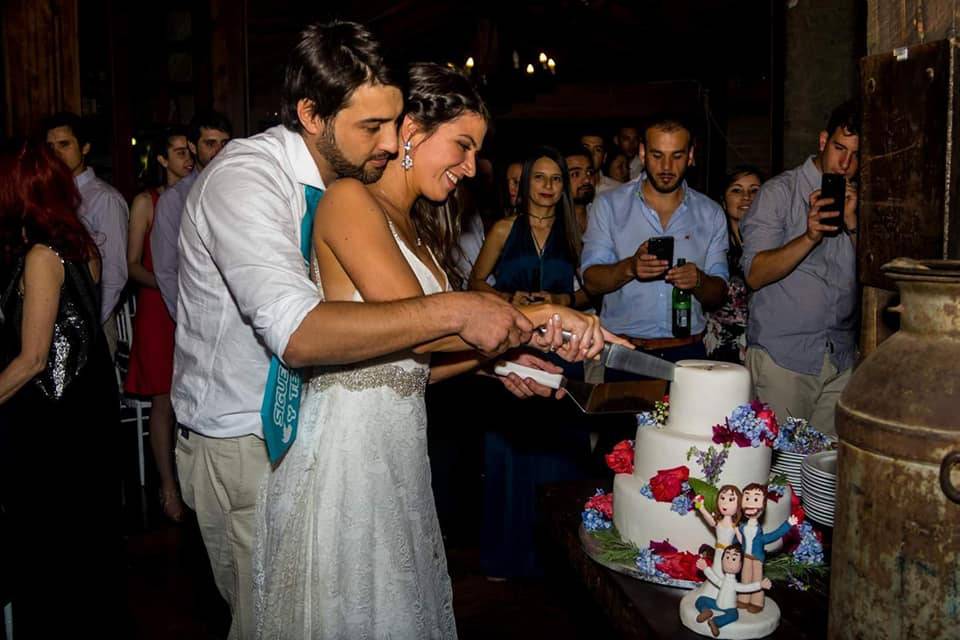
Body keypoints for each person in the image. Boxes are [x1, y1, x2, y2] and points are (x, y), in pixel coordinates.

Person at [173, 21, 611, 639]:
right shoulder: (251, 179)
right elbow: (301, 333)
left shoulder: (372, 199)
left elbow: (401, 352)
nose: (388, 139)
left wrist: (498, 358)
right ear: (312, 114)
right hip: (246, 431)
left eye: (395, 120)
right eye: (373, 126)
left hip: (359, 443)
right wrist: (519, 317)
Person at [0, 142, 125, 636]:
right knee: (83, 553)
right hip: (82, 419)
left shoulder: (41, 255)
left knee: (50, 558)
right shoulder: (80, 245)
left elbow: (32, 360)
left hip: (52, 431)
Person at [741, 101, 859, 436]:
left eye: (855, 154)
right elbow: (755, 273)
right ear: (823, 141)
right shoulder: (779, 193)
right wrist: (809, 237)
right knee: (777, 472)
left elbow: (876, 279)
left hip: (840, 358)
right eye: (839, 148)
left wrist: (853, 224)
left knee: (825, 474)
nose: (845, 163)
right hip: (784, 359)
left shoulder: (861, 202)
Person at [582, 115, 729, 377]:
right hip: (624, 351)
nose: (666, 166)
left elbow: (719, 293)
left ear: (691, 155)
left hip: (687, 353)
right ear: (642, 153)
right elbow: (591, 280)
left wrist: (699, 281)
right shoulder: (609, 205)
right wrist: (630, 267)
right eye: (657, 155)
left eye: (677, 155)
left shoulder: (711, 213)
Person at [124, 126, 193, 522]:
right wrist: (170, 282)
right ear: (162, 160)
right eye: (178, 152)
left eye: (189, 150)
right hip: (158, 308)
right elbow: (132, 264)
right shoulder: (145, 202)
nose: (187, 158)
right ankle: (168, 487)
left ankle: (194, 480)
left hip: (193, 305)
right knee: (164, 399)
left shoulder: (199, 194)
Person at [43, 112, 129, 357]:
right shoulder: (47, 196)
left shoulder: (105, 199)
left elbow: (114, 274)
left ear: (85, 148)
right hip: (52, 322)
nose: (56, 153)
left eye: (64, 144)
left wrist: (85, 325)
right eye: (50, 147)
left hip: (93, 324)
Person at [469, 146, 590, 311]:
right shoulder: (503, 229)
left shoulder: (572, 230)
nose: (548, 185)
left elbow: (593, 288)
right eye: (539, 177)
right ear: (526, 182)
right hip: (510, 325)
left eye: (556, 179)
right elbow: (475, 282)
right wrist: (507, 298)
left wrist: (563, 299)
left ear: (563, 187)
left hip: (558, 328)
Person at [152, 110, 232, 318]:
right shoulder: (174, 199)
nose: (219, 150)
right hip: (198, 312)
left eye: (224, 143)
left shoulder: (239, 188)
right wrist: (186, 319)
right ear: (193, 147)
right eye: (210, 143)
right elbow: (166, 269)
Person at [704, 166, 764, 364]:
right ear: (723, 199)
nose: (746, 197)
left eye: (754, 190)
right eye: (736, 190)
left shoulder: (775, 245)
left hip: (764, 347)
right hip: (719, 346)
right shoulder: (712, 244)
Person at [737, 484, 797, 611]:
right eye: (747, 498)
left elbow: (774, 535)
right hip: (746, 557)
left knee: (757, 580)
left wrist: (788, 524)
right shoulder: (742, 527)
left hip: (757, 558)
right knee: (745, 578)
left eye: (756, 499)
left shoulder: (759, 533)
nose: (750, 504)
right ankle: (743, 599)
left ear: (763, 504)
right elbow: (739, 539)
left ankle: (757, 602)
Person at [694, 545, 773, 637]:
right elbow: (715, 579)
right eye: (727, 557)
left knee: (733, 615)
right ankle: (706, 611)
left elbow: (746, 588)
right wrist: (705, 568)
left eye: (734, 559)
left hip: (729, 608)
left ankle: (715, 622)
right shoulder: (723, 581)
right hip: (717, 603)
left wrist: (760, 585)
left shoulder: (734, 584)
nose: (729, 561)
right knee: (701, 599)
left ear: (741, 565)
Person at [564, 144, 597, 234]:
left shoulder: (601, 215)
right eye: (575, 174)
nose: (586, 180)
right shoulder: (552, 224)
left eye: (589, 172)